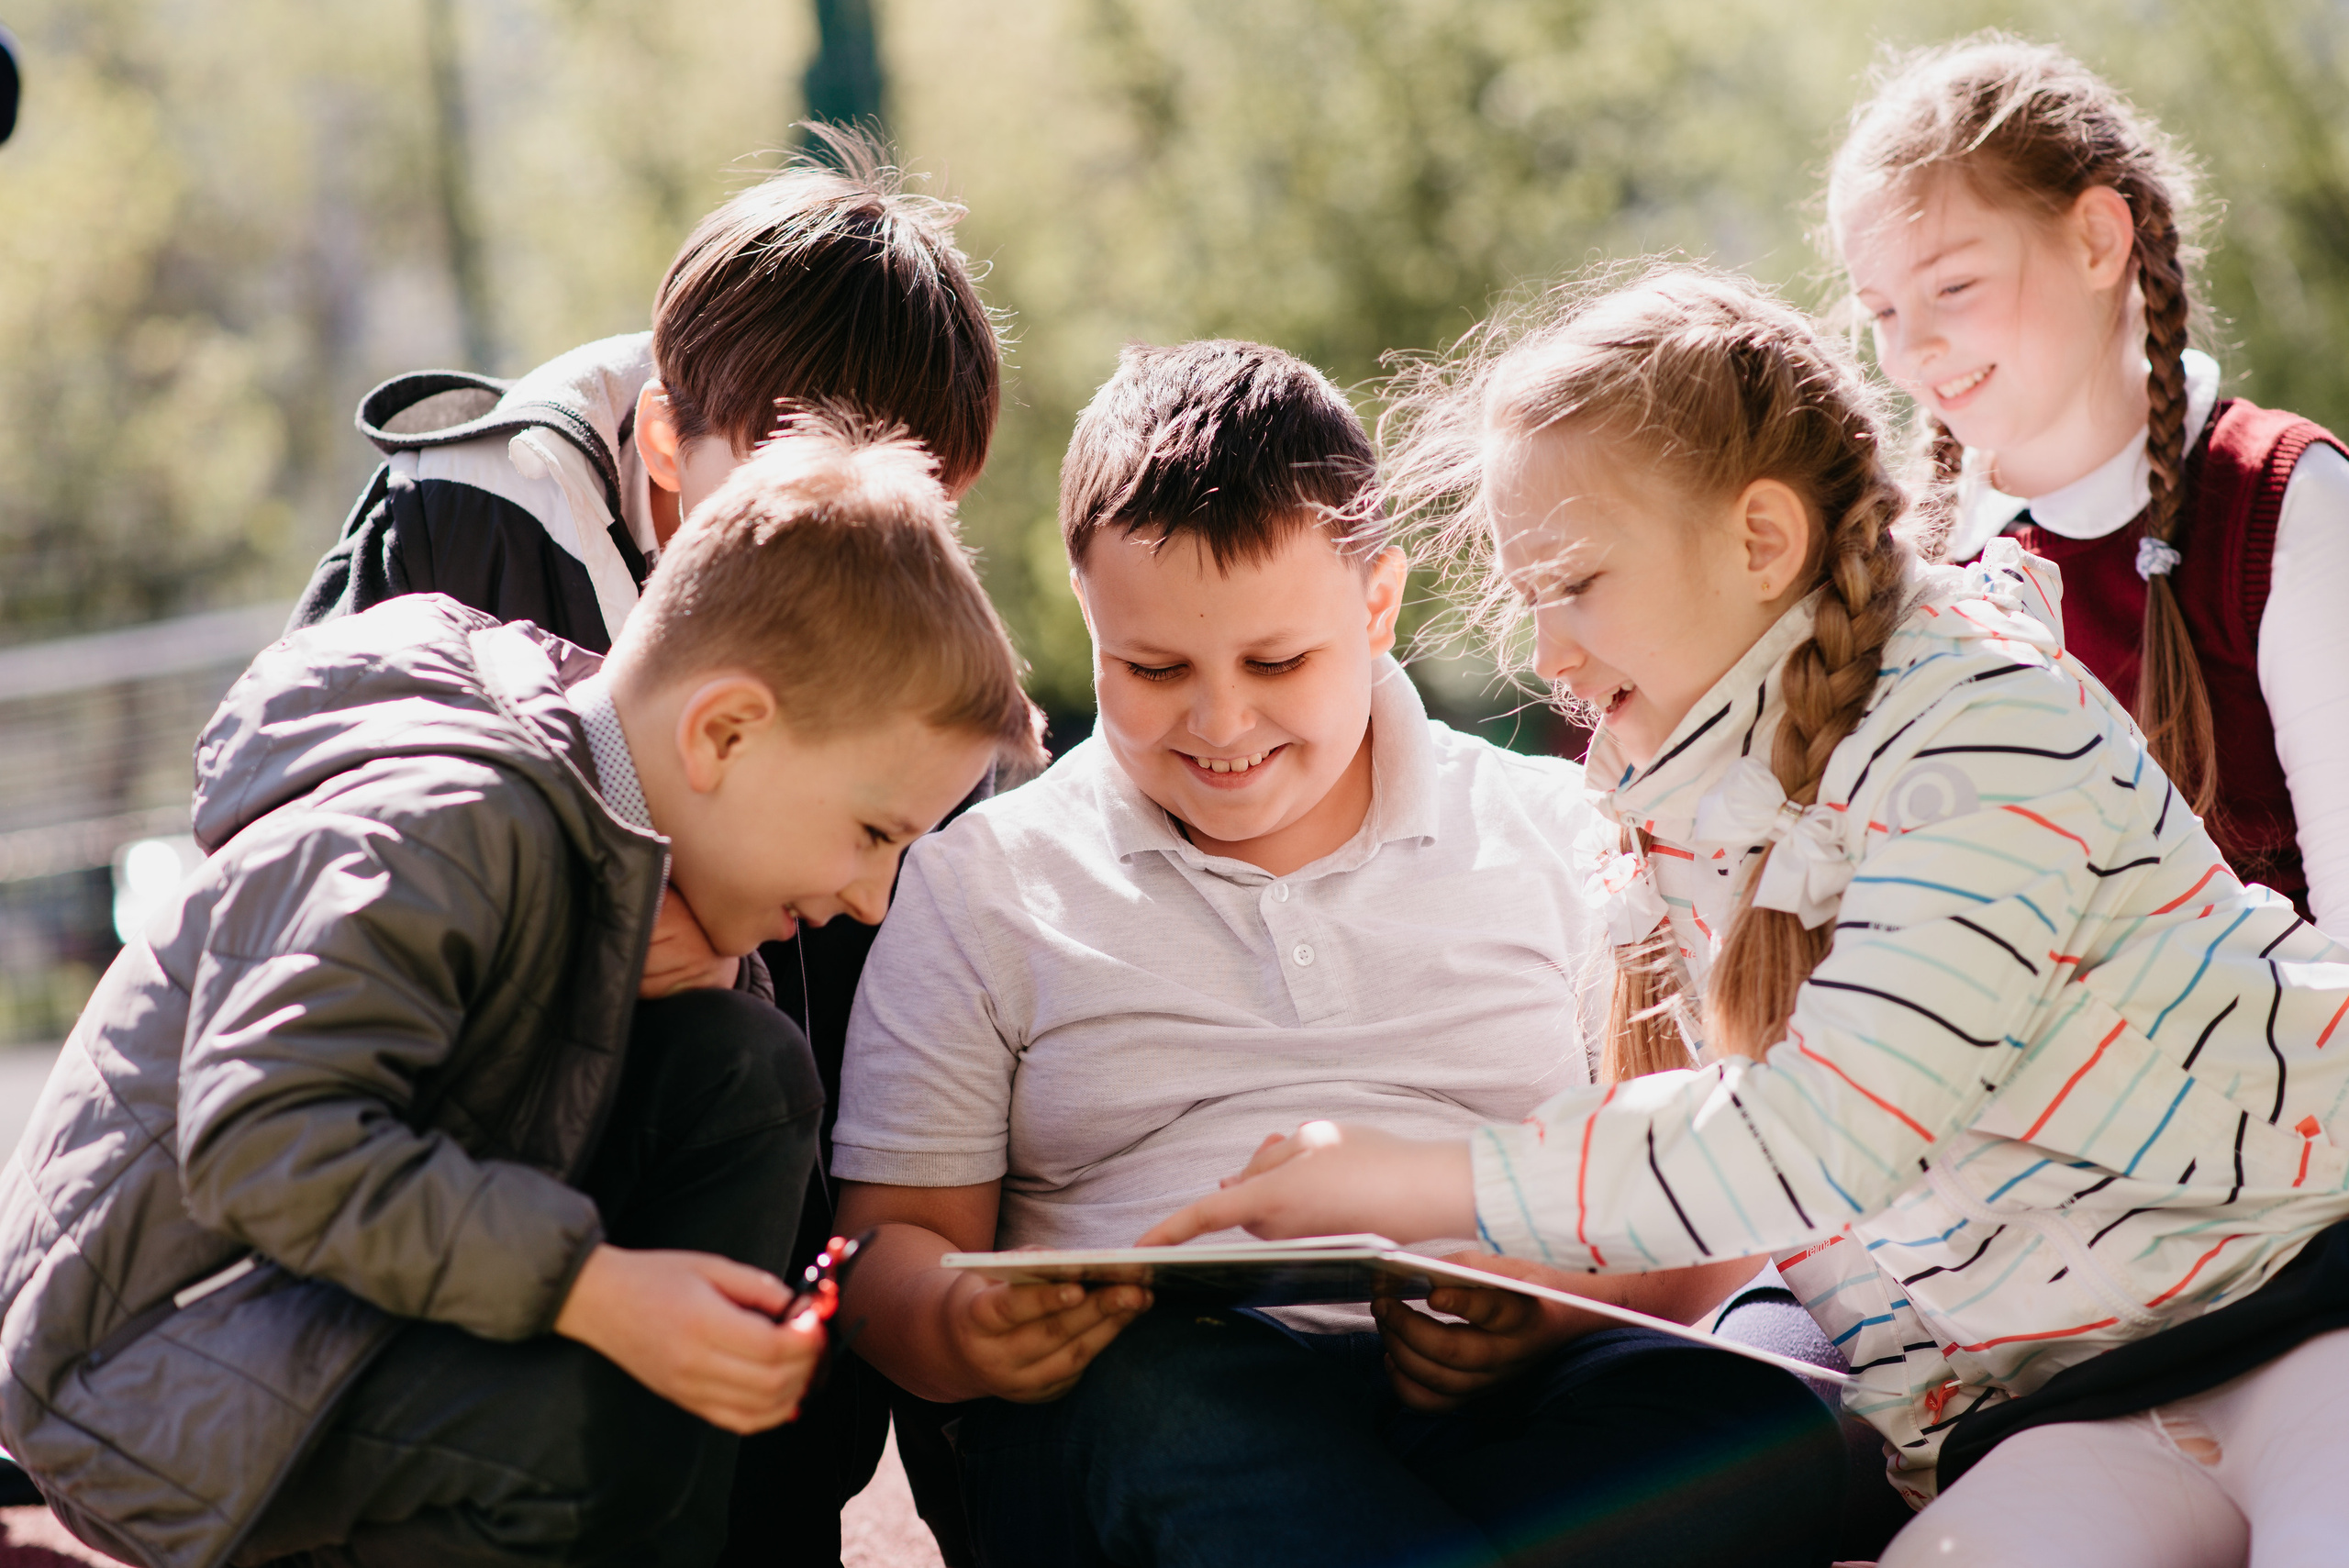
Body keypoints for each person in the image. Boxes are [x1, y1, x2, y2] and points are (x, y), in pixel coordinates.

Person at [1143, 266, 2349, 1568]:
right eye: (1528, 597)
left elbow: (1825, 1133)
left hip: (2304, 1303)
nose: (1548, 654)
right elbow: (1771, 1195)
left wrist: (1419, 1177)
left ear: (1759, 540)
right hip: (2075, 1404)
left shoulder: (1985, 734)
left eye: (1577, 582)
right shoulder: (1707, 811)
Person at [829, 339, 1844, 1568]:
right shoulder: (982, 885)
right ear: (1086, 614)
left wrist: (1557, 1300)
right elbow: (886, 1252)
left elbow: (1707, 1196)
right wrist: (957, 1320)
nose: (1221, 722)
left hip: (1509, 1412)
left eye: (1277, 662)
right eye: (1151, 669)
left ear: (1375, 606)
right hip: (1148, 1425)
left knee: (1754, 1423)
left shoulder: (1555, 830)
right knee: (1169, 1397)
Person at [0, 424, 1043, 1568]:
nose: (872, 894)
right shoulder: (438, 823)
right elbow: (265, 1140)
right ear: (724, 732)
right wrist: (593, 1290)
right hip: (154, 1363)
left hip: (336, 1307)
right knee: (581, 1445)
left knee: (744, 1067)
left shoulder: (613, 830)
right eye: (872, 833)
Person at [287, 127, 1005, 1561]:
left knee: (833, 1062)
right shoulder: (471, 525)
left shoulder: (899, 651)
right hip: (475, 1124)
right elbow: (321, 863)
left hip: (738, 1133)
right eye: (814, 494)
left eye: (912, 520)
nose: (860, 552)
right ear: (668, 440)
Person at [1829, 34, 2349, 931]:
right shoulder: (1907, 573)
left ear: (2097, 239)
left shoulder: (2279, 502)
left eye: (1952, 284)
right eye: (1879, 310)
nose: (1909, 348)